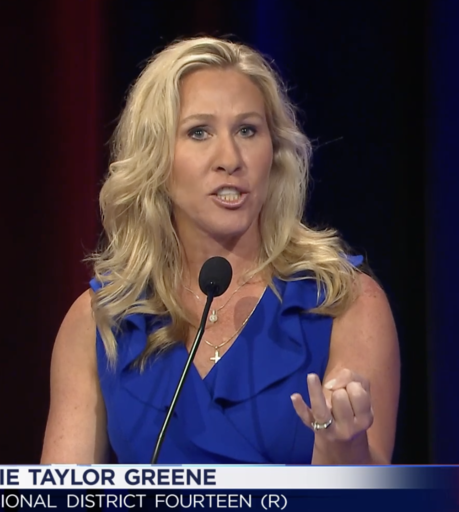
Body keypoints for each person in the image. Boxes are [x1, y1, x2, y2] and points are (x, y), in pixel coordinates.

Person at [40, 37, 400, 465]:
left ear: (274, 154)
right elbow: (60, 506)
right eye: (199, 132)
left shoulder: (345, 302)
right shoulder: (101, 321)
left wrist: (342, 447)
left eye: (247, 130)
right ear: (156, 158)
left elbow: (365, 506)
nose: (230, 158)